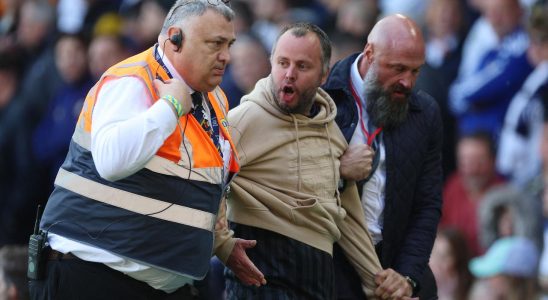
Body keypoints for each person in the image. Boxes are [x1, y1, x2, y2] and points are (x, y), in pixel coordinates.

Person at [29, 1, 246, 299]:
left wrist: (220, 242)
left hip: (164, 286)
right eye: (215, 44)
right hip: (93, 277)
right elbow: (112, 161)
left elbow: (208, 185)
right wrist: (169, 107)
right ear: (175, 39)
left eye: (229, 44)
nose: (226, 56)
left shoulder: (216, 99)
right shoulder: (132, 79)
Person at [214, 22, 408, 299]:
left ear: (324, 75)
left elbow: (347, 216)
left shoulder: (329, 131)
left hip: (317, 281)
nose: (289, 74)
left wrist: (376, 281)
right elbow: (204, 178)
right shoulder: (244, 119)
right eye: (282, 63)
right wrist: (222, 244)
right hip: (260, 280)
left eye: (302, 66)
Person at [322, 14, 443, 299]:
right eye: (398, 68)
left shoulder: (424, 113)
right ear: (369, 54)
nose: (408, 82)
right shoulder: (322, 98)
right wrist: (337, 172)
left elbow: (427, 205)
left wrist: (408, 275)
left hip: (396, 269)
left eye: (415, 71)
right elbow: (290, 185)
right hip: (332, 271)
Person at [441, 132, 506, 256]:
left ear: (493, 161)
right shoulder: (453, 186)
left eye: (479, 162)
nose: (472, 170)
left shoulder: (505, 194)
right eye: (465, 162)